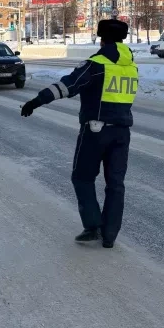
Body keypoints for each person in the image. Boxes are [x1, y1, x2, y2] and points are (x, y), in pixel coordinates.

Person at [20, 19, 138, 249]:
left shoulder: (96, 64)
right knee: (116, 184)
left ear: (102, 39)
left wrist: (36, 101)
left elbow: (67, 86)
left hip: (96, 131)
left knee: (82, 177)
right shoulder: (131, 67)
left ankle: (93, 226)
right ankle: (110, 235)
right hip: (122, 133)